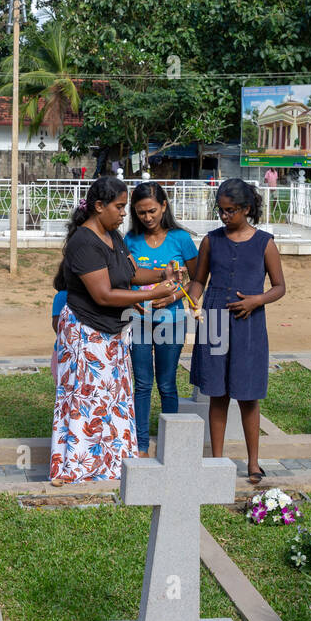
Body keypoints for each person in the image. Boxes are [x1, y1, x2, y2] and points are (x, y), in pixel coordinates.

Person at [50, 176, 180, 485]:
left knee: (112, 401)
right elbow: (104, 294)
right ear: (99, 206)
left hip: (111, 335)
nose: (125, 214)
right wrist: (153, 293)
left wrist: (164, 273)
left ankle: (111, 467)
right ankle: (78, 470)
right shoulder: (84, 242)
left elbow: (131, 273)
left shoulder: (113, 236)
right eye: (120, 207)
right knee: (86, 401)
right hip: (87, 333)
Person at [187, 178, 286, 485]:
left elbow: (280, 287)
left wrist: (258, 300)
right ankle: (217, 461)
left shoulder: (265, 243)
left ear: (246, 209)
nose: (225, 216)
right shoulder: (211, 240)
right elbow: (199, 281)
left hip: (249, 326)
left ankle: (253, 463)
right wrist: (186, 297)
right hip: (216, 321)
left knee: (248, 395)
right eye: (221, 210)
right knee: (218, 394)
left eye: (231, 211)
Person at [124, 182, 200, 457]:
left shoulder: (181, 239)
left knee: (167, 383)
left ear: (164, 206)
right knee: (142, 384)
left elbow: (198, 278)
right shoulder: (129, 240)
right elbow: (124, 277)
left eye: (152, 211)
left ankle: (171, 445)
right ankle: (141, 445)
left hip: (172, 321)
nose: (147, 217)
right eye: (141, 212)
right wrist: (134, 298)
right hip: (139, 321)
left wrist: (175, 295)